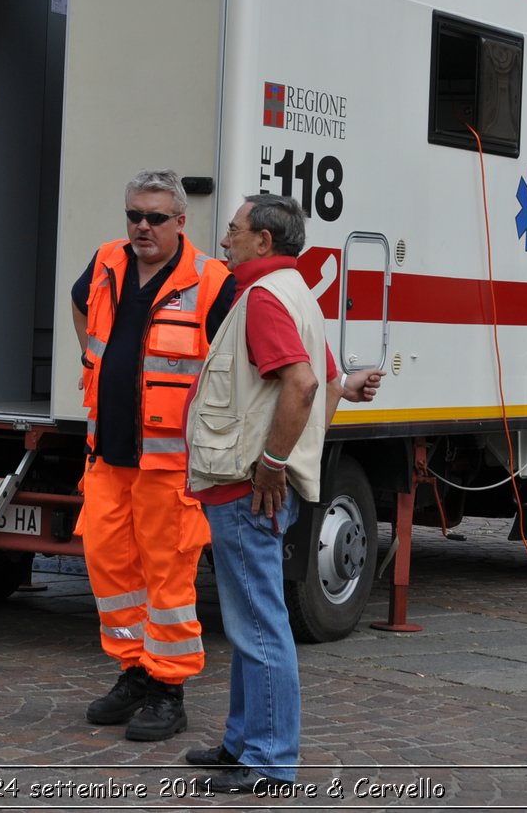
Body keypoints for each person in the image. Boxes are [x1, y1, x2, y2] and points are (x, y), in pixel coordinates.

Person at [183, 194, 382, 793]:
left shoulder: (265, 298)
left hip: (247, 490)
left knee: (261, 628)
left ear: (264, 241)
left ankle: (268, 760)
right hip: (252, 489)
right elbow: (317, 378)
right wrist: (346, 384)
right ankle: (243, 743)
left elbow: (299, 383)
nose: (225, 240)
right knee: (251, 624)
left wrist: (269, 464)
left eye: (235, 230)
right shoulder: (293, 292)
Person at [71, 170, 237, 743]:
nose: (142, 226)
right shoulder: (106, 263)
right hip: (108, 456)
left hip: (170, 466)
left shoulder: (212, 282)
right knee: (112, 570)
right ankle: (134, 674)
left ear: (180, 223)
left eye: (155, 218)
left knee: (168, 580)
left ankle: (169, 691)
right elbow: (81, 312)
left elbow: (233, 366)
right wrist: (98, 366)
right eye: (134, 215)